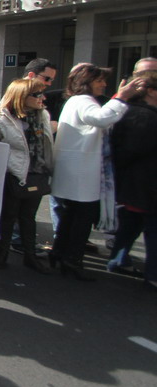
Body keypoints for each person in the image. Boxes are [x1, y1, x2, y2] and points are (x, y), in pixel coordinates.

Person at [50, 63, 143, 280]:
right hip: (81, 172)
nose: (103, 84)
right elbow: (101, 118)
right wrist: (121, 97)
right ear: (87, 82)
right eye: (99, 80)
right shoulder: (83, 101)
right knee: (81, 218)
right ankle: (71, 260)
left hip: (76, 170)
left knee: (71, 216)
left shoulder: (77, 101)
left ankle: (61, 253)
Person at [0, 79, 53, 274]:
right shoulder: (1, 119)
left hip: (36, 173)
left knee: (28, 218)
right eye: (36, 94)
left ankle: (30, 256)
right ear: (21, 96)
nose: (42, 98)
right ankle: (2, 255)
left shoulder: (42, 116)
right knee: (8, 217)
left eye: (42, 94)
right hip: (13, 175)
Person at [107, 69, 157, 285]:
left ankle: (118, 259)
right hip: (145, 183)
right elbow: (132, 149)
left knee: (131, 223)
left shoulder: (136, 112)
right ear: (151, 92)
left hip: (138, 183)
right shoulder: (143, 115)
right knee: (149, 228)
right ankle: (153, 275)